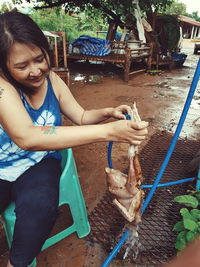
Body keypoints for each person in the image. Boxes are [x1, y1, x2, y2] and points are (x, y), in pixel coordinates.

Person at [0, 10, 148, 267]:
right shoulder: (2, 88)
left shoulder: (53, 81)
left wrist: (107, 113)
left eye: (39, 59)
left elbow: (80, 116)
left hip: (39, 161)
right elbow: (27, 136)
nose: (35, 71)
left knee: (40, 208)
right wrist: (109, 132)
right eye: (22, 66)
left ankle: (18, 262)